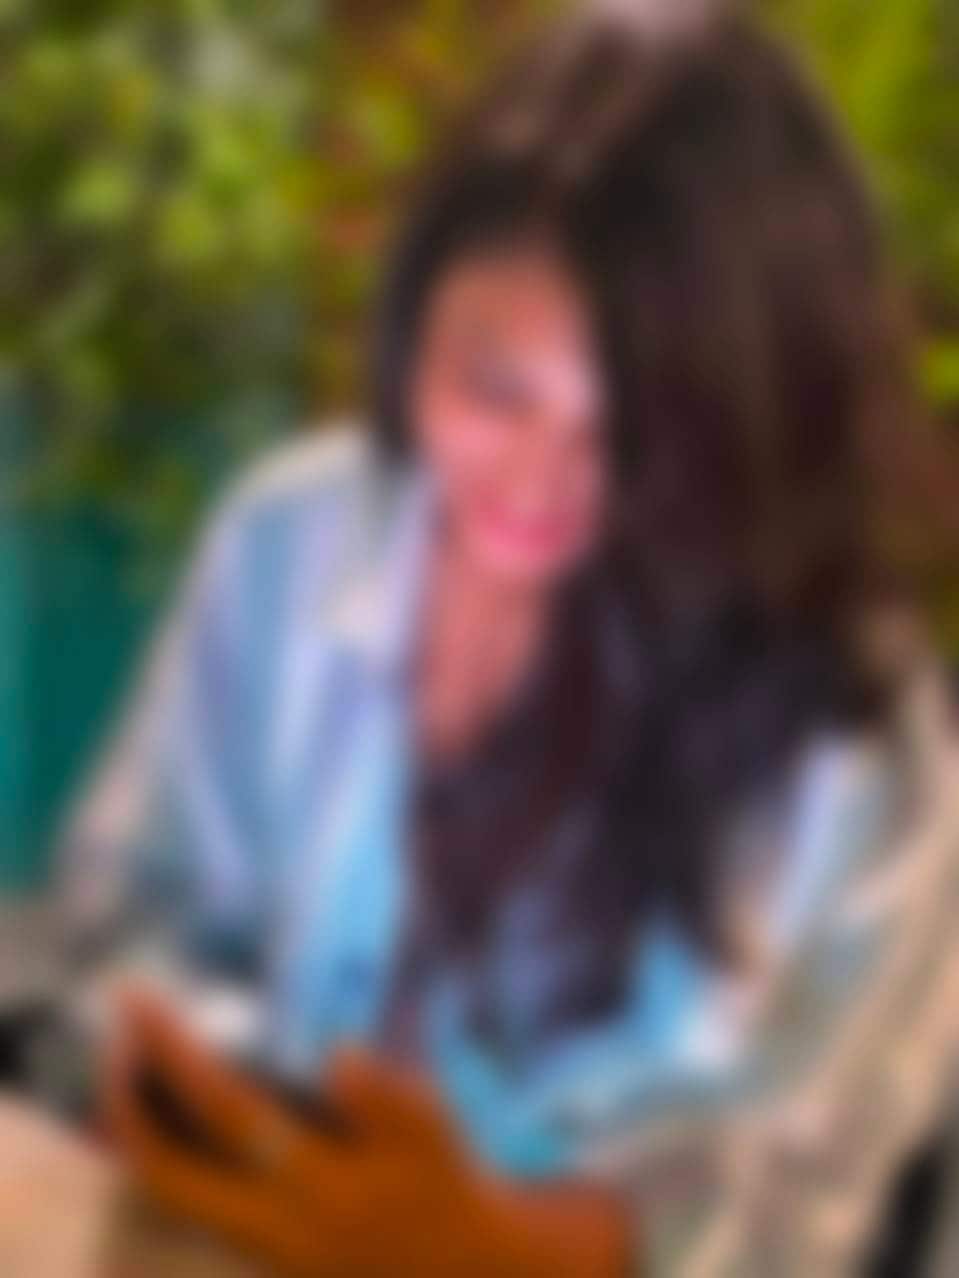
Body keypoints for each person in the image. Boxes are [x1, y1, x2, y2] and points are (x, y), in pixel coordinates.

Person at [56, 8, 959, 1276]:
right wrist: (188, 1071)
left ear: (756, 427)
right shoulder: (291, 537)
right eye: (492, 390)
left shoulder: (853, 735)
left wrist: (486, 1245)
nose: (537, 484)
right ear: (409, 330)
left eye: (632, 434)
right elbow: (126, 916)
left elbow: (796, 1198)